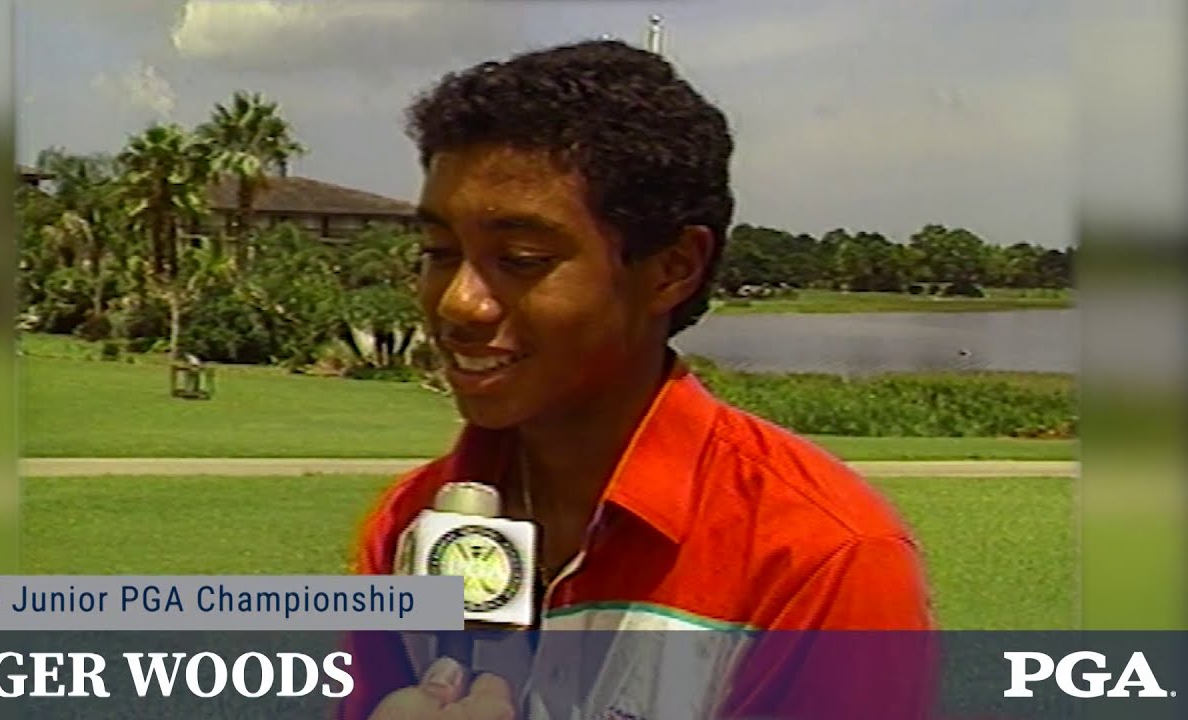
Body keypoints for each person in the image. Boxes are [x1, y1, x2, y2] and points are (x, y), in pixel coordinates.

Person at [342, 39, 935, 720]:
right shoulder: (406, 525)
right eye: (439, 253)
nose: (457, 303)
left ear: (671, 268)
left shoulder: (822, 558)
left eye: (522, 258)